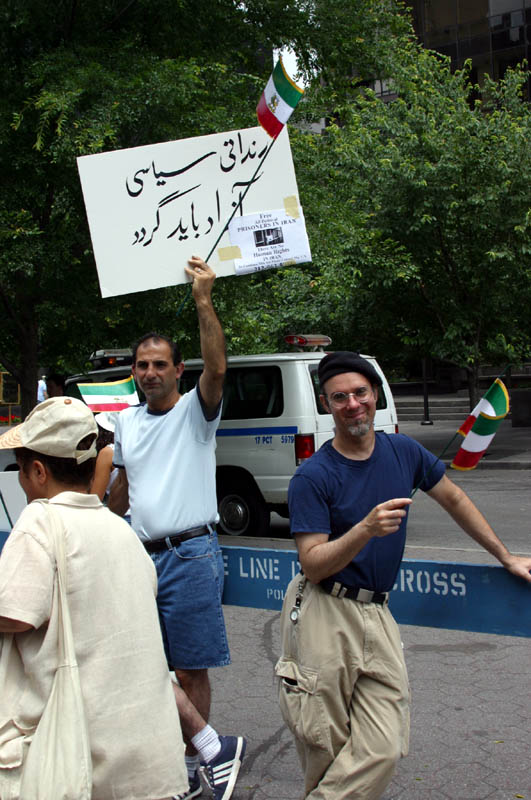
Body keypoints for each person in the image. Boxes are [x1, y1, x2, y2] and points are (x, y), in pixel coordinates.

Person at [275, 351, 531, 800]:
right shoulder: (313, 476)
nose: (352, 404)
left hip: (378, 611)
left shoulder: (403, 451)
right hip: (324, 613)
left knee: (385, 746)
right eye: (340, 397)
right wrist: (365, 530)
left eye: (360, 393)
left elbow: (453, 499)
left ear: (375, 395)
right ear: (326, 404)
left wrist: (506, 556)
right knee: (325, 746)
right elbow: (313, 563)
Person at [0, 396, 188, 800]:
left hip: (71, 758)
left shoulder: (41, 521)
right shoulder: (120, 529)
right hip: (140, 764)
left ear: (37, 470)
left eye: (19, 468)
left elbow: (16, 614)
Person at [109, 255, 246, 800]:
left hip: (191, 556)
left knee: (188, 674)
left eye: (159, 364)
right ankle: (188, 760)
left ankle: (199, 771)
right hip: (138, 557)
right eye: (141, 365)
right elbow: (121, 491)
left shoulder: (196, 411)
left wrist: (204, 299)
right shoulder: (125, 421)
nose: (149, 373)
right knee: (144, 670)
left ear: (177, 370)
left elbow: (218, 369)